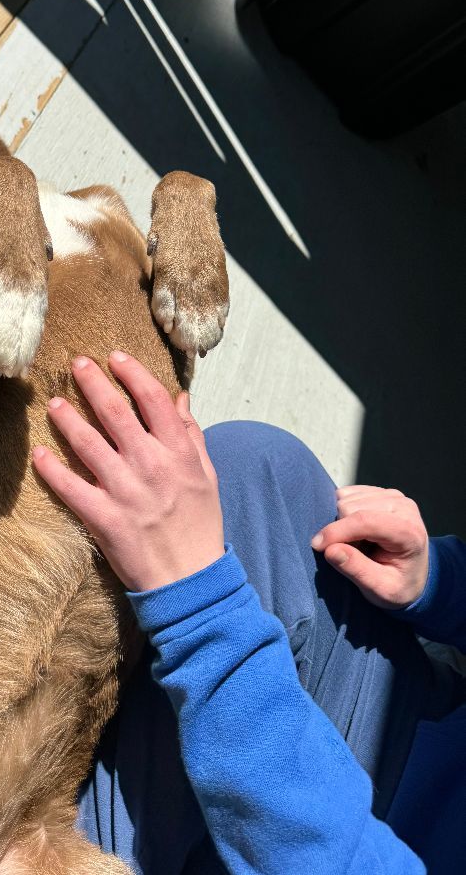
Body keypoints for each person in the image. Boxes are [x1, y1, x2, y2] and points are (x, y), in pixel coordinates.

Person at [32, 352, 466, 875]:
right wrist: (438, 582)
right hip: (418, 707)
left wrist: (201, 613)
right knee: (257, 470)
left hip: (365, 844)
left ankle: (19, 837)